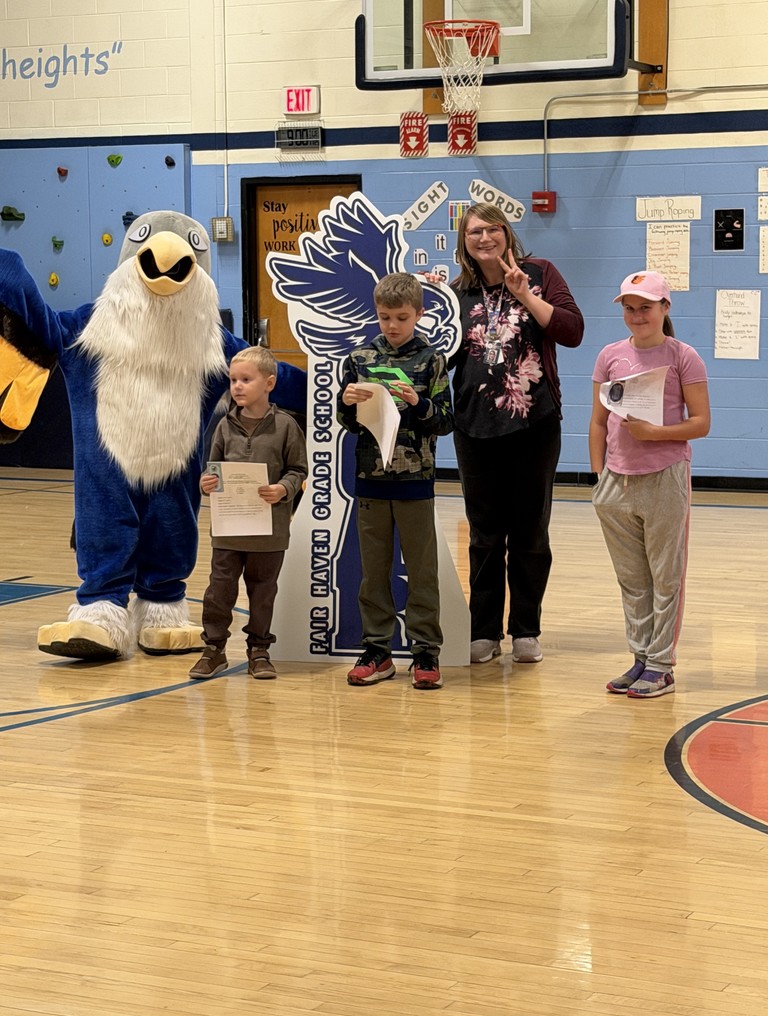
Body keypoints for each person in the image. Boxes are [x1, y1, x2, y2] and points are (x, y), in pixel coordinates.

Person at [448, 202, 584, 665]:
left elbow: (572, 331)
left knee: (530, 530)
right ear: (463, 243)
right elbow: (441, 358)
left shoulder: (540, 272)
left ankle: (526, 628)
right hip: (473, 426)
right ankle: (483, 630)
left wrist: (526, 295)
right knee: (484, 535)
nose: (484, 238)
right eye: (473, 233)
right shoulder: (457, 293)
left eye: (492, 229)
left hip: (534, 423)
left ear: (506, 233)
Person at [589, 270, 710, 698]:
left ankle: (662, 664)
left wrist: (654, 434)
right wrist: (599, 473)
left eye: (645, 307)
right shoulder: (609, 356)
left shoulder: (683, 357)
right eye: (629, 307)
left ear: (664, 308)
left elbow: (701, 424)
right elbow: (598, 421)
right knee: (632, 579)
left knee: (666, 576)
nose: (637, 315)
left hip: (664, 476)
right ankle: (640, 658)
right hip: (616, 483)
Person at [337, 272, 454, 690]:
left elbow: (444, 422)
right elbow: (346, 421)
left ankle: (425, 651)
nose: (392, 325)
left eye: (401, 317)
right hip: (371, 479)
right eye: (385, 317)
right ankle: (377, 650)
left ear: (419, 314)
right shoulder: (359, 359)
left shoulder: (431, 360)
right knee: (373, 572)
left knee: (422, 571)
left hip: (415, 481)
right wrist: (347, 403)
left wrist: (418, 402)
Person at [189, 346, 308, 680]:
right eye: (233, 380)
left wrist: (283, 488)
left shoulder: (286, 426)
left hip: (269, 531)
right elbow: (210, 471)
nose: (237, 386)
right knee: (219, 591)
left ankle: (259, 650)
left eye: (245, 379)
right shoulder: (223, 427)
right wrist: (207, 482)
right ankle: (213, 649)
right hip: (229, 529)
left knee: (263, 593)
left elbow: (299, 469)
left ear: (269, 383)